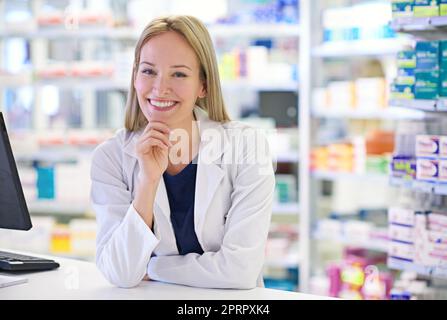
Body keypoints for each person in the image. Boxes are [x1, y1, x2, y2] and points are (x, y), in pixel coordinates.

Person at [90, 15, 275, 289]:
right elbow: (120, 272)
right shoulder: (111, 158)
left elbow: (240, 271)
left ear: (204, 85)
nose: (159, 88)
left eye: (178, 73)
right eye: (148, 71)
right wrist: (147, 182)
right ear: (134, 77)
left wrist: (152, 267)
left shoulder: (247, 148)